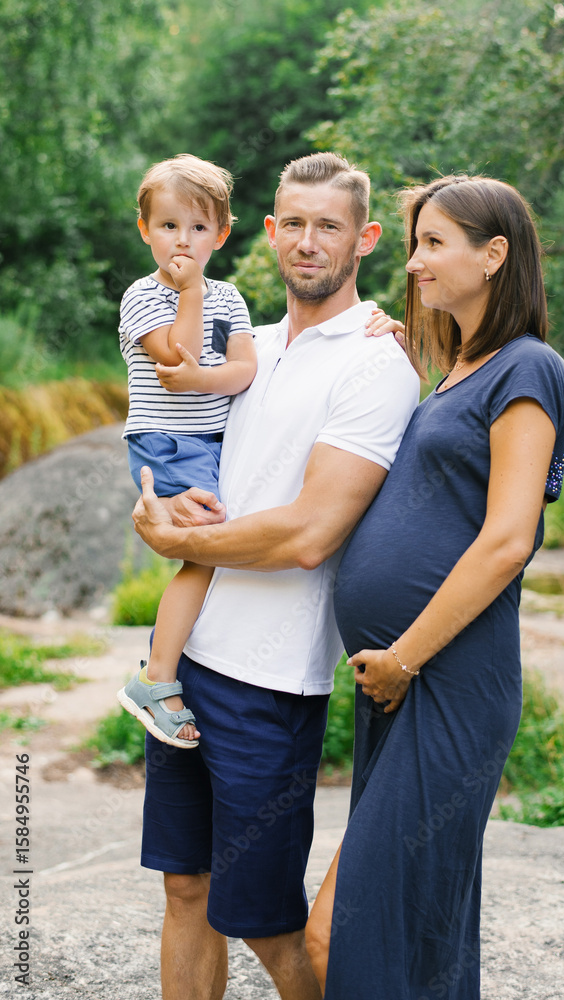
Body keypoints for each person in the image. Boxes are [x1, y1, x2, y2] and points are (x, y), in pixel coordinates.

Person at [130, 152, 420, 1000]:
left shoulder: (377, 363)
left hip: (269, 681)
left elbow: (309, 535)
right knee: (184, 887)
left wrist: (171, 544)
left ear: (364, 238)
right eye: (292, 222)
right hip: (183, 667)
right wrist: (165, 510)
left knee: (262, 917)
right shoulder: (244, 344)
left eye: (328, 225)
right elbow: (179, 434)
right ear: (265, 232)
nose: (307, 241)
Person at [304, 174, 564, 1000]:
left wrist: (406, 657)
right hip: (400, 686)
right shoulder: (458, 370)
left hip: (445, 679)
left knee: (341, 936)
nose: (413, 261)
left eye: (432, 243)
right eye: (415, 242)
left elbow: (506, 542)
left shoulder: (529, 368)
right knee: (416, 938)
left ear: (493, 255)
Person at [116, 154, 257, 748]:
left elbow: (244, 369)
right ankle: (158, 677)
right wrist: (191, 292)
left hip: (220, 440)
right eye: (169, 226)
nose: (183, 240)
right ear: (145, 230)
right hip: (168, 443)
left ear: (221, 235)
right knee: (202, 554)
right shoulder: (142, 296)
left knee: (219, 552)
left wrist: (203, 379)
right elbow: (178, 352)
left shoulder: (232, 299)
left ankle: (191, 666)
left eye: (199, 228)